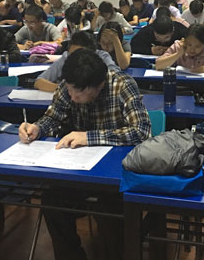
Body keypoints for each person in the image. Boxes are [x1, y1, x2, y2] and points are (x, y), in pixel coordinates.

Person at [19, 49, 151, 260]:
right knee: (52, 201)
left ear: (99, 85)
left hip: (116, 174)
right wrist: (37, 128)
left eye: (78, 93)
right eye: (69, 90)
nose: (72, 96)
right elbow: (53, 117)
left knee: (109, 211)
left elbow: (141, 131)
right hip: (80, 169)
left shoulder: (122, 85)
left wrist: (89, 137)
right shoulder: (70, 85)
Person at [34, 31, 120, 92]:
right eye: (72, 54)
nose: (74, 59)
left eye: (79, 55)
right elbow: (39, 82)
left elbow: (116, 77)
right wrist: (68, 89)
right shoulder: (67, 57)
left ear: (92, 53)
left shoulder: (102, 56)